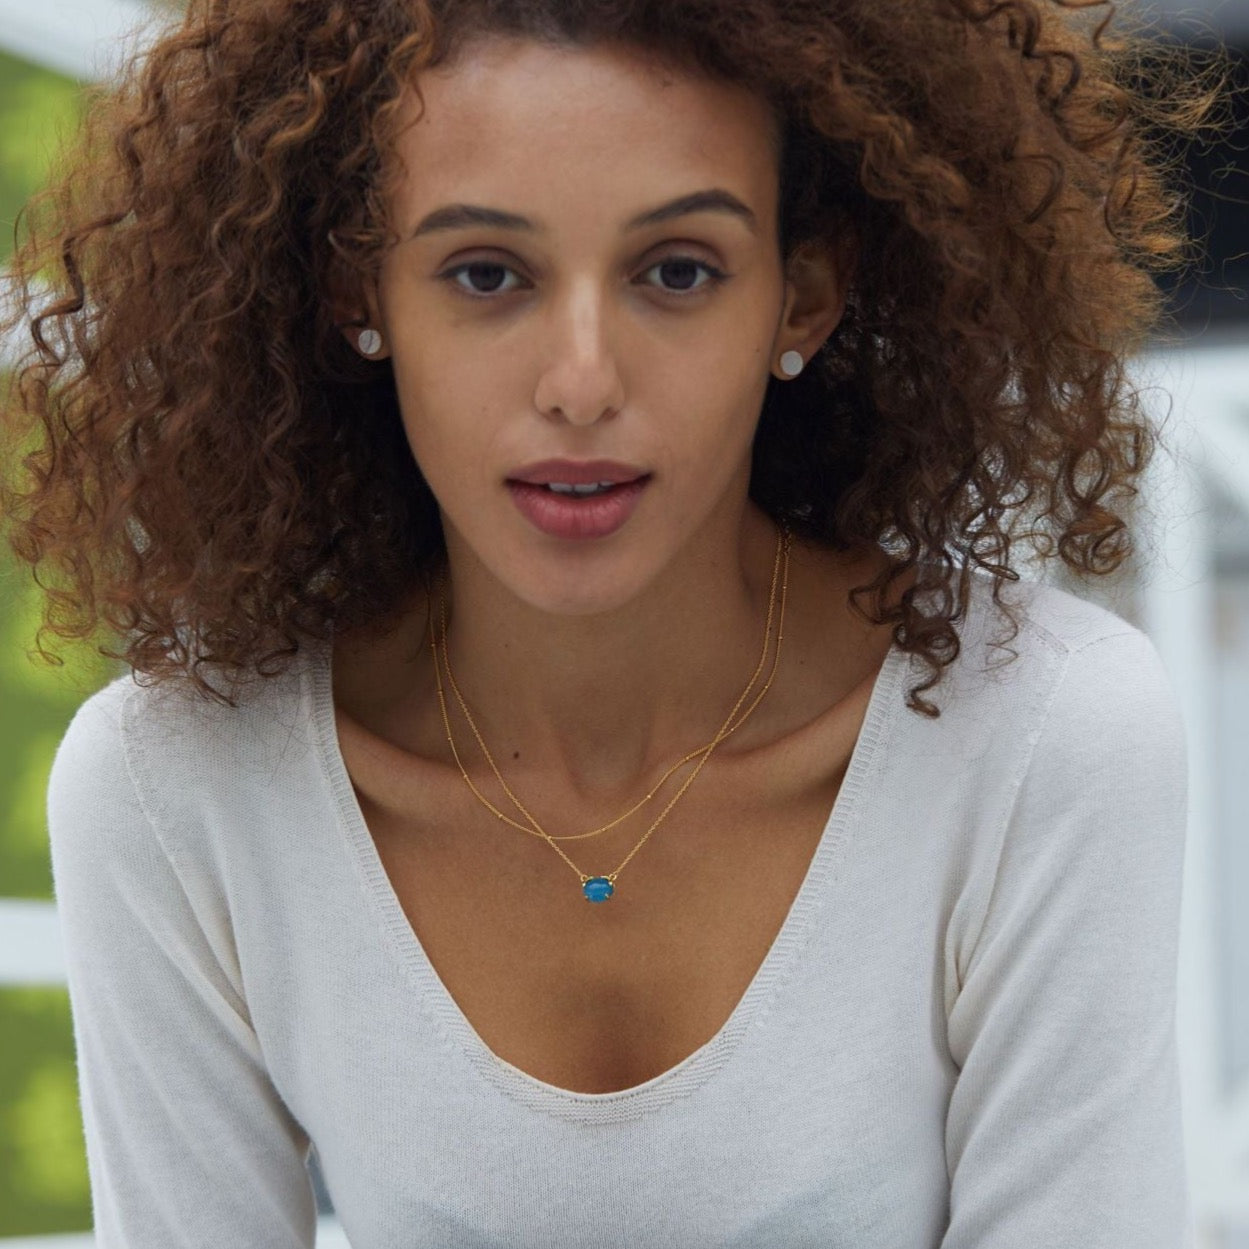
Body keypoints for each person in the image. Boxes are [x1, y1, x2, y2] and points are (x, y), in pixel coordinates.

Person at [0, 0, 1221, 1245]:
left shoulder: (1042, 741)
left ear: (801, 300)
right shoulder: (179, 785)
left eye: (675, 271)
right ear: (360, 293)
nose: (579, 383)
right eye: (487, 274)